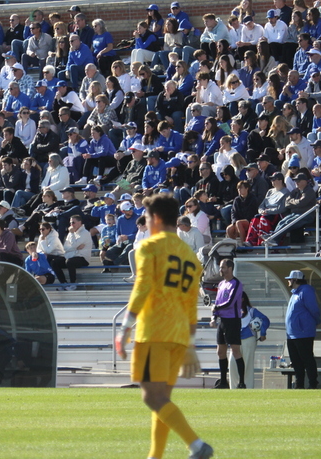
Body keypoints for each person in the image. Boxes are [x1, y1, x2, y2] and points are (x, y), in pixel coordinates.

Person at [114, 193, 212, 459]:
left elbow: (142, 286)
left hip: (154, 331)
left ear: (155, 219)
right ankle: (155, 456)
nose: (146, 224)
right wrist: (190, 344)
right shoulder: (190, 257)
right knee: (162, 399)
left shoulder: (149, 247)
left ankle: (196, 444)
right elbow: (192, 305)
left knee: (151, 397)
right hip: (179, 336)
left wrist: (124, 328)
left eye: (146, 219)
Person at [209, 259, 246, 389]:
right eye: (220, 267)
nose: (220, 270)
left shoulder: (236, 284)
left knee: (235, 351)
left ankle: (241, 382)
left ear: (230, 268)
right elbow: (217, 302)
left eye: (223, 267)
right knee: (220, 351)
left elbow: (230, 302)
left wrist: (217, 308)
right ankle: (223, 381)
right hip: (223, 321)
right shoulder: (221, 284)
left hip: (233, 321)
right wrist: (214, 316)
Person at [284, 269, 321, 389]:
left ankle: (313, 384)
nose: (288, 281)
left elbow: (314, 309)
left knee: (307, 359)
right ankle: (299, 384)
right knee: (296, 361)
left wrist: (316, 321)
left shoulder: (306, 290)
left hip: (303, 333)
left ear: (295, 280)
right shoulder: (295, 292)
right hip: (292, 333)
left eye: (290, 279)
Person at [231, 292, 270, 390]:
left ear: (243, 299)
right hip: (235, 340)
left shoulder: (252, 311)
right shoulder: (232, 312)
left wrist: (263, 333)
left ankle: (248, 388)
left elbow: (265, 320)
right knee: (232, 363)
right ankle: (234, 388)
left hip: (249, 339)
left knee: (248, 364)